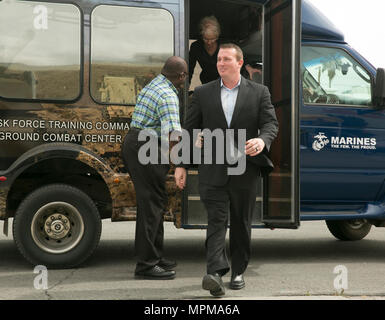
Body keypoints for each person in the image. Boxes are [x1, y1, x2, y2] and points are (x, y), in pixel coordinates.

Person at [175, 44, 278, 296]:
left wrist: (262, 140)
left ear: (239, 63)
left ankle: (239, 270)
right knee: (216, 221)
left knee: (242, 222)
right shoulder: (202, 92)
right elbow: (189, 131)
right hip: (213, 168)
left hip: (245, 169)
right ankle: (214, 273)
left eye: (226, 59)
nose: (220, 63)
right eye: (219, 59)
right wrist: (181, 164)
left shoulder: (259, 92)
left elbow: (270, 124)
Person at [122, 56, 188, 280]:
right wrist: (180, 163)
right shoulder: (168, 94)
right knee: (151, 205)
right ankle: (146, 265)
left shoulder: (156, 83)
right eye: (185, 75)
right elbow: (174, 135)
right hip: (145, 147)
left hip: (139, 143)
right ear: (180, 76)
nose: (185, 79)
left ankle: (155, 256)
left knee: (155, 202)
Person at [189, 16, 221, 85]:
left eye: (212, 39)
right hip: (206, 81)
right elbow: (190, 67)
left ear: (217, 36)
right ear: (201, 35)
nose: (209, 43)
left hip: (224, 81)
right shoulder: (196, 47)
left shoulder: (225, 46)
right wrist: (186, 84)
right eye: (206, 39)